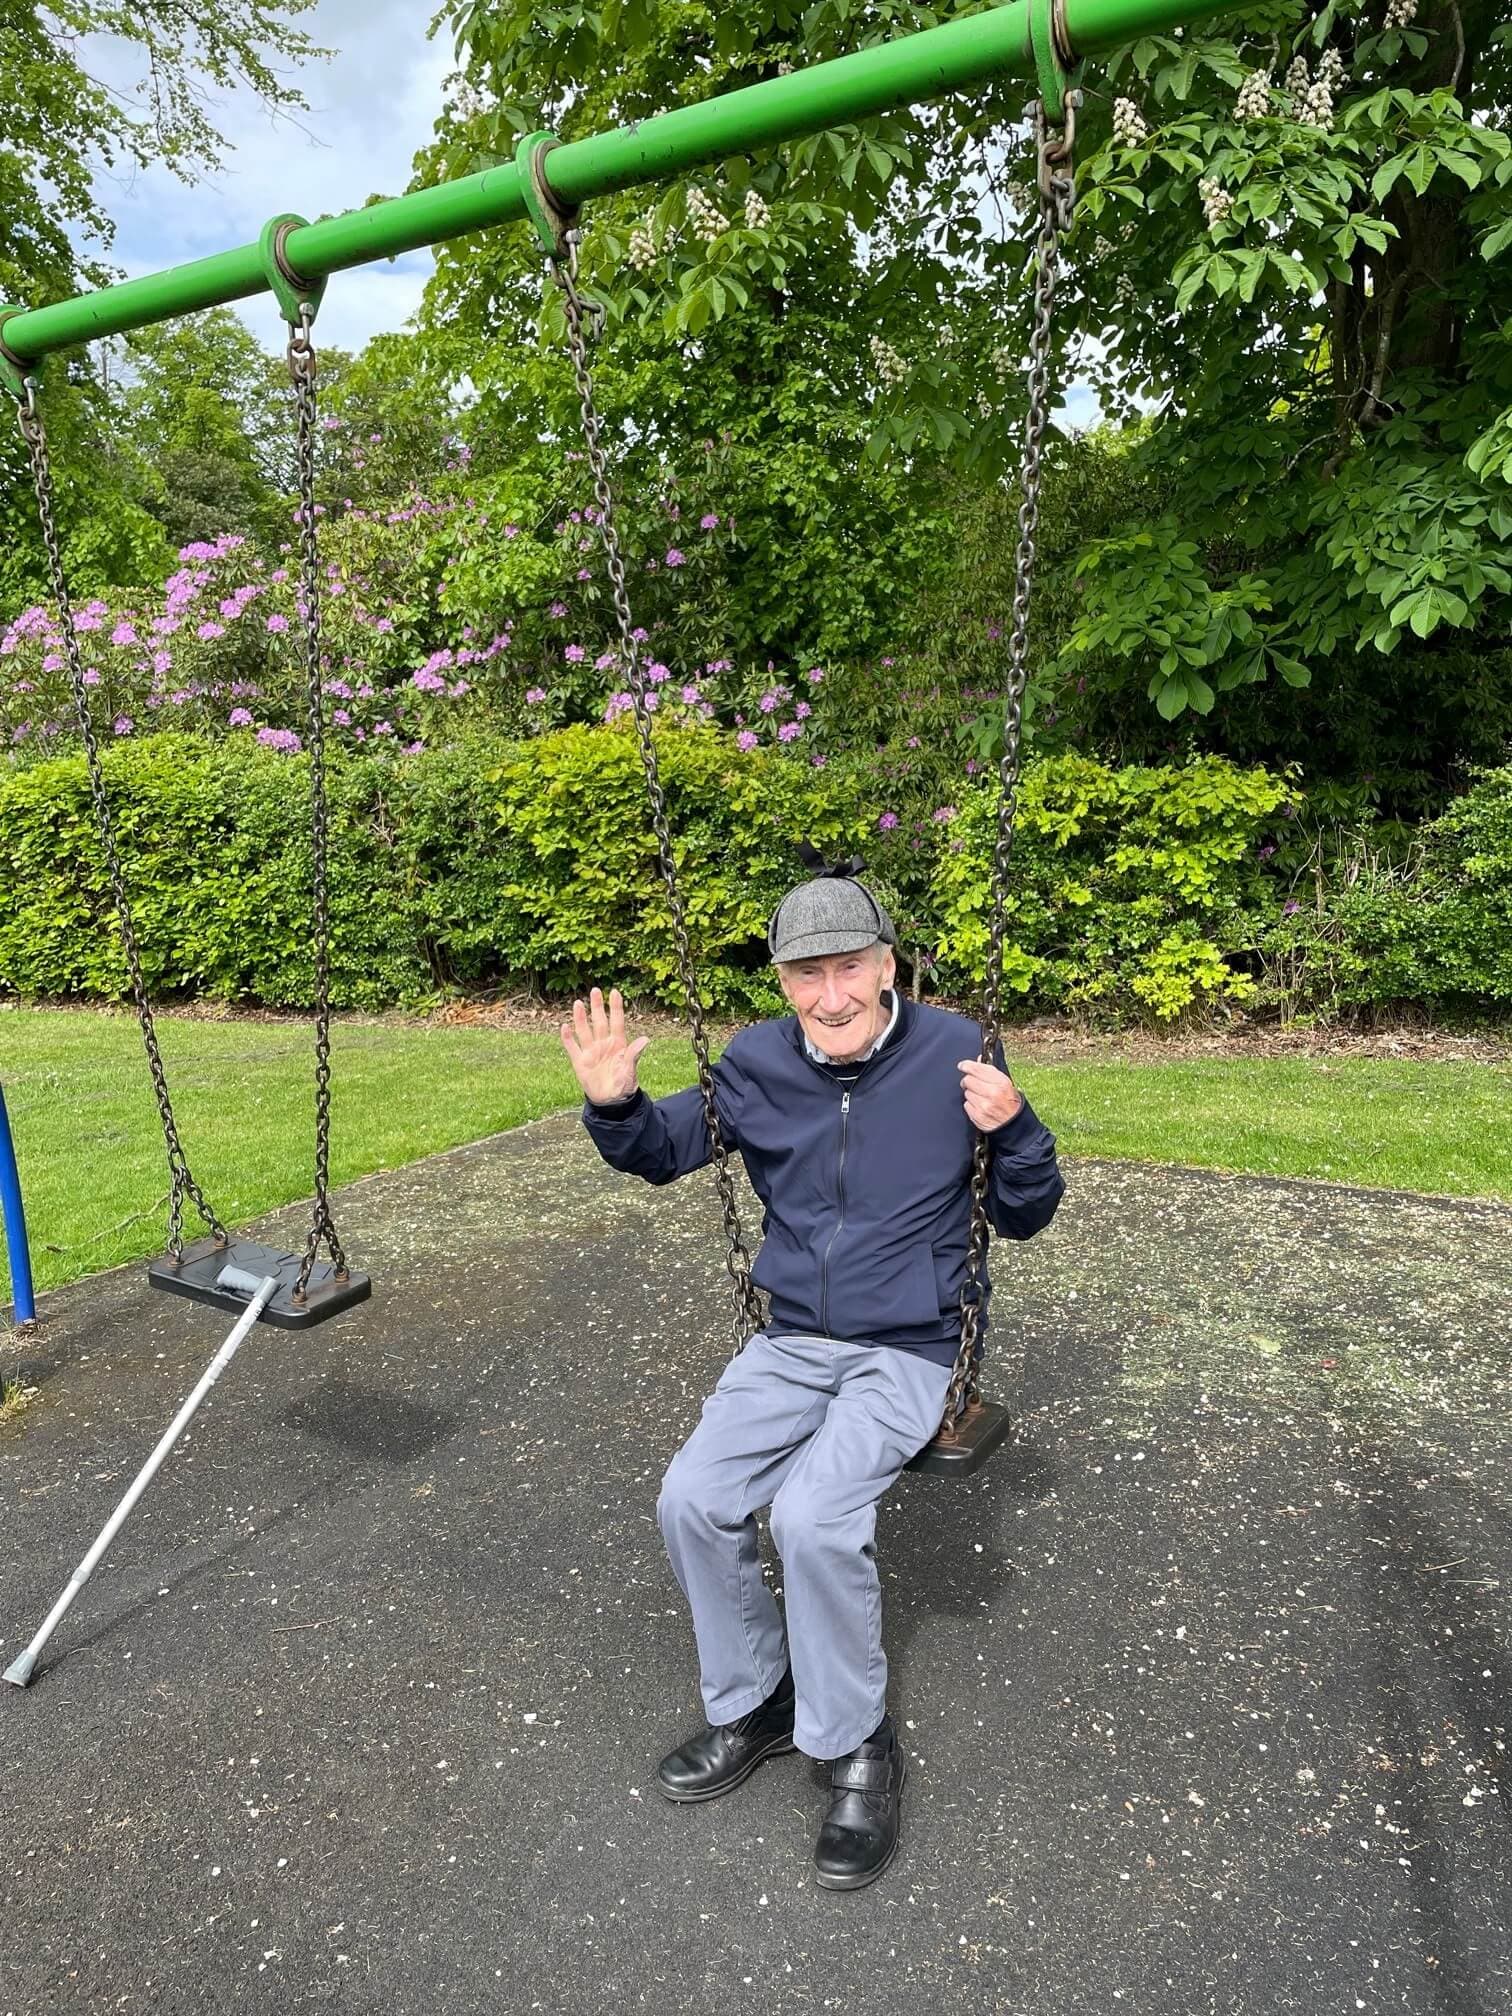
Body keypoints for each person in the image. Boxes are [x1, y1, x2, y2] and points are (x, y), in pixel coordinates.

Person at [560, 856, 1064, 1890]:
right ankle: (756, 1703)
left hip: (910, 1346)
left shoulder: (958, 1053)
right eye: (805, 975)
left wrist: (1014, 1128)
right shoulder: (752, 1063)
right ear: (783, 982)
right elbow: (665, 1149)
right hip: (791, 1340)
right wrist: (615, 1107)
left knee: (815, 1517)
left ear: (888, 966)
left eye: (849, 969)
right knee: (693, 1499)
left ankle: (855, 1743)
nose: (829, 996)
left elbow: (1025, 1210)